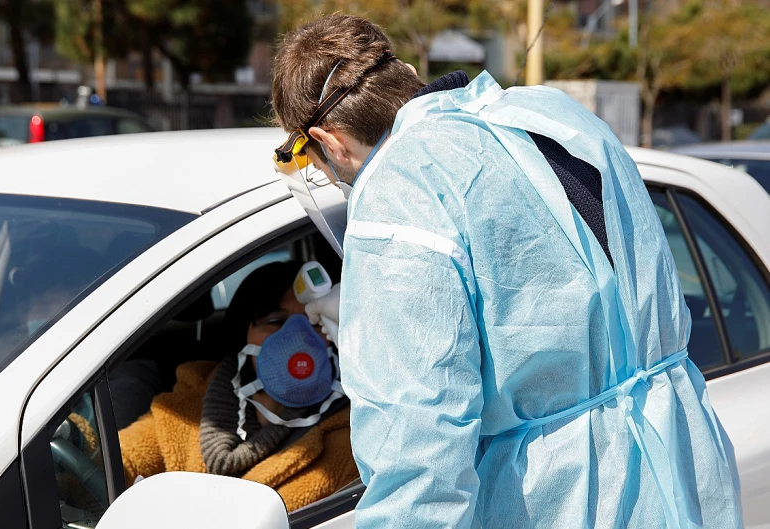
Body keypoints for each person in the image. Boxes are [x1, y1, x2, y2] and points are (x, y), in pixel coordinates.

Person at [271, 14, 743, 529]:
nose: (331, 176)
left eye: (314, 163)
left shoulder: (401, 190)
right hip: (683, 467)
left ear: (329, 141)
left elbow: (416, 450)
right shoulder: (550, 113)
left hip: (563, 502)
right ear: (403, 71)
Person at [117, 261, 357, 511]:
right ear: (243, 335)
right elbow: (121, 458)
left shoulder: (356, 436)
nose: (297, 337)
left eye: (315, 322)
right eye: (275, 320)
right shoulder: (185, 412)